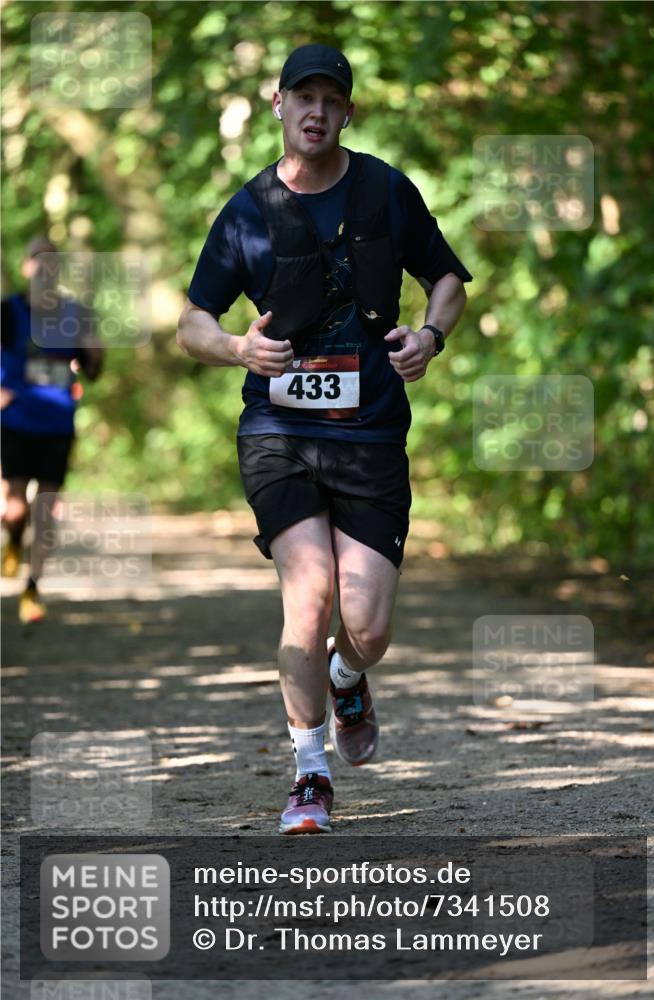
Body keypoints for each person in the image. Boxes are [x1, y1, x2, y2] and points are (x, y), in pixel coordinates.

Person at [177, 44, 472, 834]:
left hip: (370, 433)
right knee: (306, 600)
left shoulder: (385, 191)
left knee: (367, 626)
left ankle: (347, 677)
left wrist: (431, 338)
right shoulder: (246, 212)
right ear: (277, 105)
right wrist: (238, 348)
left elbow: (446, 279)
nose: (314, 110)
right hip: (278, 429)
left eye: (329, 99)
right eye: (300, 96)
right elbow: (190, 322)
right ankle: (309, 774)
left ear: (347, 112)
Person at [1, 236, 104, 622]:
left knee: (44, 510)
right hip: (13, 422)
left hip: (57, 424)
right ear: (26, 266)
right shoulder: (7, 312)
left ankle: (33, 587)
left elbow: (93, 371)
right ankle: (12, 540)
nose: (44, 267)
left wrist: (94, 350)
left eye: (52, 260)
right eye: (36, 259)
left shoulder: (76, 314)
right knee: (14, 507)